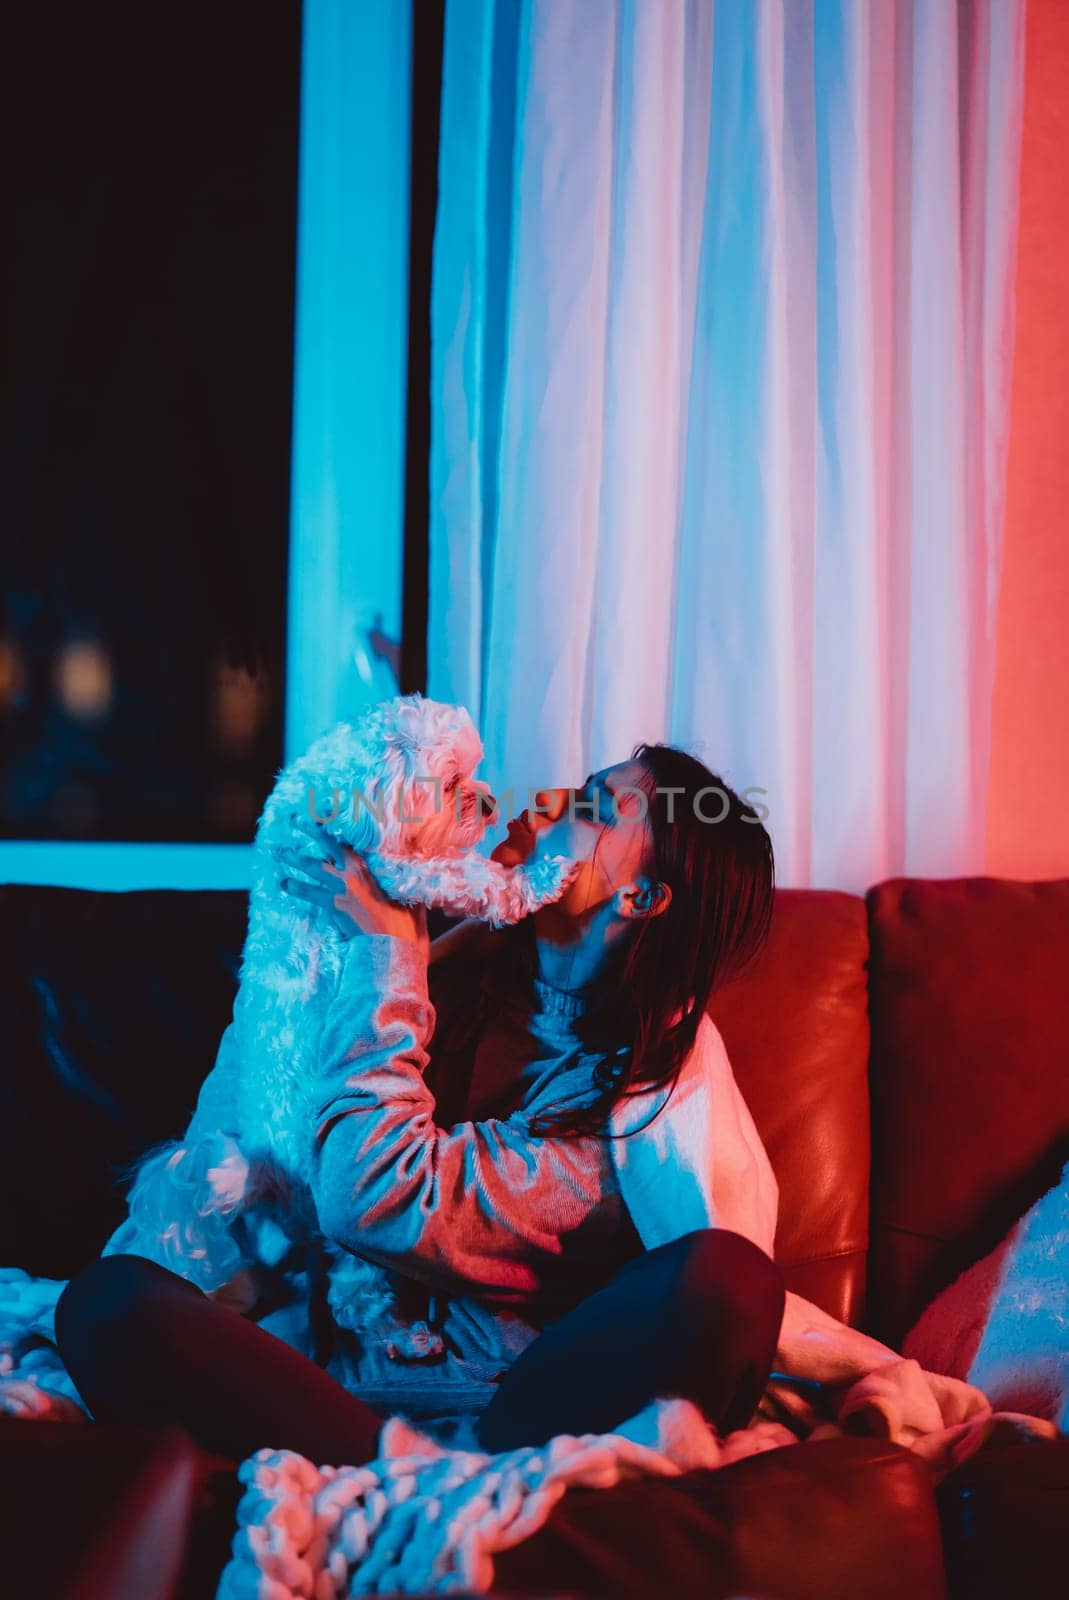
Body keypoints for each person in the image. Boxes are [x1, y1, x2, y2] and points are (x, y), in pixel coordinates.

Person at [53, 743, 790, 1467]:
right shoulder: (461, 975)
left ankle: (422, 1474)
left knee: (726, 1280)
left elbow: (374, 1195)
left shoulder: (633, 1101)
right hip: (322, 1382)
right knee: (108, 1304)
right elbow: (273, 1104)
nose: (546, 800)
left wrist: (385, 957)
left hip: (505, 1404)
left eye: (591, 809)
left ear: (638, 898)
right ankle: (400, 1468)